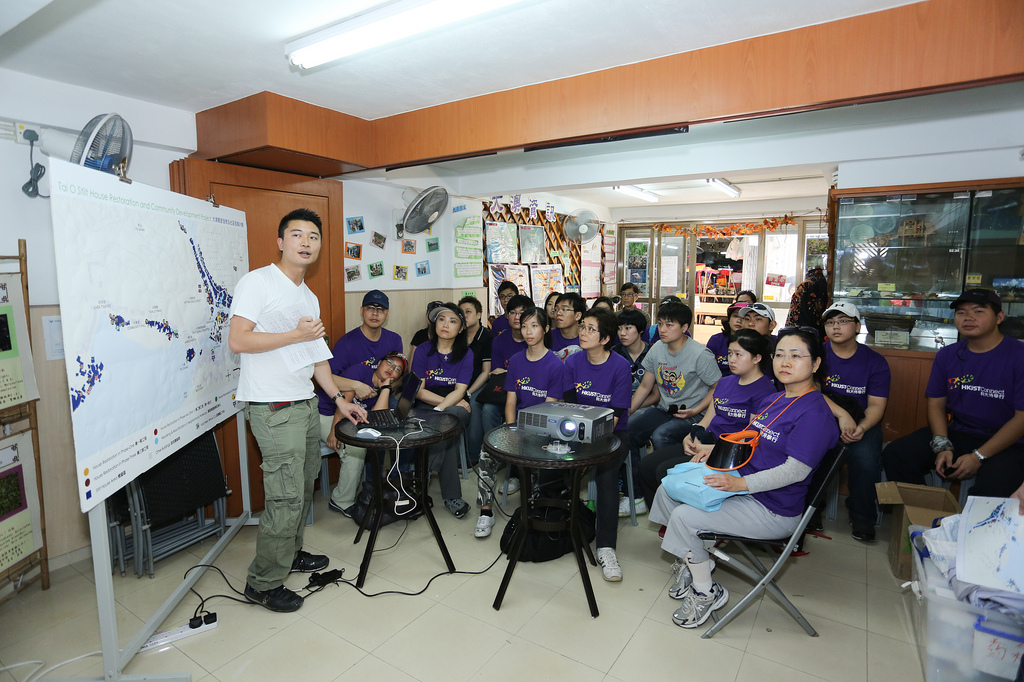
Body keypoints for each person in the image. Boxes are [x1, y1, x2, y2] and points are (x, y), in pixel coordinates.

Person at [649, 327, 839, 628]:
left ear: (815, 364)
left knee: (686, 517)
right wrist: (712, 450)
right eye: (780, 355)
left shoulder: (814, 414)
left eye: (796, 356)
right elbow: (750, 442)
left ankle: (706, 589)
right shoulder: (776, 400)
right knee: (667, 491)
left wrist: (740, 484)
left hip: (772, 507)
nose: (785, 362)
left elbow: (795, 471)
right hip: (744, 486)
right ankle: (695, 559)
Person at [228, 208, 366, 613]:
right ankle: (264, 583)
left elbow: (316, 355)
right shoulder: (258, 282)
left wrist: (340, 400)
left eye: (313, 237)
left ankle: (291, 554)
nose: (306, 242)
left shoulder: (308, 295)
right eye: (297, 234)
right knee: (285, 498)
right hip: (272, 406)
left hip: (304, 403)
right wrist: (295, 333)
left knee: (303, 488)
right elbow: (238, 340)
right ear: (280, 241)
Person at [883, 289, 1024, 499]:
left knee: (993, 486)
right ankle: (924, 519)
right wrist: (942, 445)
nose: (968, 318)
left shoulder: (1018, 356)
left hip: (1008, 441)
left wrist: (979, 456)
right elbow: (936, 404)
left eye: (978, 311)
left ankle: (975, 530)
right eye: (961, 312)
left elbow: (1021, 419)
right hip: (960, 432)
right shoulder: (948, 355)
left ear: (999, 317)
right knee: (897, 455)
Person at [639, 329, 776, 509]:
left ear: (757, 358)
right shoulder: (726, 382)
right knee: (646, 466)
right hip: (706, 443)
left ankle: (681, 520)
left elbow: (750, 439)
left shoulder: (765, 391)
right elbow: (707, 420)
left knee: (663, 471)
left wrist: (712, 449)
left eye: (738, 354)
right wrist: (690, 435)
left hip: (729, 455)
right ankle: (668, 518)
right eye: (729, 353)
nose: (731, 360)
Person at [474, 307, 565, 538]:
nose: (528, 331)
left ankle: (533, 510)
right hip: (518, 425)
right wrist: (511, 429)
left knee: (535, 458)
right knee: (486, 454)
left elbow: (549, 409)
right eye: (524, 326)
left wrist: (526, 434)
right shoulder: (516, 360)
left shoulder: (555, 365)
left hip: (542, 429)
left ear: (545, 329)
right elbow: (510, 402)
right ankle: (486, 512)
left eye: (534, 326)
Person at [562, 308, 633, 581]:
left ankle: (606, 547)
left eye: (591, 329)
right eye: (583, 327)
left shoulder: (619, 366)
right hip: (577, 431)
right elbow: (569, 406)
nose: (583, 332)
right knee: (552, 460)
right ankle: (562, 525)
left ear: (605, 338)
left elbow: (616, 416)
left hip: (612, 434)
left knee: (605, 474)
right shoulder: (573, 363)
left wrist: (590, 444)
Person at [319, 289, 403, 517]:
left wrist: (384, 387)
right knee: (356, 447)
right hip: (332, 408)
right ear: (361, 311)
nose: (375, 314)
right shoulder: (347, 343)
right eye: (370, 308)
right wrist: (355, 385)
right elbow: (327, 378)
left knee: (393, 423)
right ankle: (344, 500)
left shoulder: (394, 340)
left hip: (366, 408)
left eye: (381, 310)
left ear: (387, 314)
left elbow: (395, 376)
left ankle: (382, 485)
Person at [628, 303, 720, 504]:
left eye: (669, 325)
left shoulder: (700, 354)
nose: (662, 329)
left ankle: (669, 494)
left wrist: (696, 409)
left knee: (662, 434)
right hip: (665, 409)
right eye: (660, 324)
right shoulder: (657, 349)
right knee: (629, 429)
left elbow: (718, 388)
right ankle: (636, 494)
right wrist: (627, 412)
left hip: (695, 414)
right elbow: (645, 386)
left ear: (685, 327)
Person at [819, 301, 891, 542]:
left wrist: (860, 427)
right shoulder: (816, 354)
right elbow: (809, 392)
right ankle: (810, 508)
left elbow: (877, 405)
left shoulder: (875, 361)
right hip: (822, 419)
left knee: (866, 458)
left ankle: (862, 516)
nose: (835, 327)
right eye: (830, 322)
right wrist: (841, 415)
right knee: (811, 449)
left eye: (842, 321)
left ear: (858, 326)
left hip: (862, 422)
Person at [411, 303, 474, 518]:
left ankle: (423, 473)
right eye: (441, 319)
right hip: (431, 406)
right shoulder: (422, 350)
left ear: (461, 328)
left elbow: (460, 391)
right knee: (448, 429)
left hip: (457, 408)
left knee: (452, 418)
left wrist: (444, 407)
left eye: (452, 321)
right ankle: (452, 497)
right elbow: (418, 391)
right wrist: (442, 406)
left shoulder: (466, 354)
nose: (445, 324)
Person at [613, 307, 653, 516]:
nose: (622, 333)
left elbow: (655, 394)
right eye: (619, 328)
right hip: (620, 405)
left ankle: (636, 495)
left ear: (640, 330)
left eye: (628, 328)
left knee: (629, 429)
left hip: (647, 406)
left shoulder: (652, 352)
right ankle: (616, 487)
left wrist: (629, 409)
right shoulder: (615, 351)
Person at [459, 296, 493, 465]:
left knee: (472, 404)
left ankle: (472, 456)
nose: (464, 316)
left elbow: (486, 373)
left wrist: (467, 392)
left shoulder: (487, 337)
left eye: (468, 312)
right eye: (461, 312)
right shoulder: (458, 335)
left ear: (479, 314)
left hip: (479, 384)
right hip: (459, 383)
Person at [706, 302, 749, 376]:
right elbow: (707, 368)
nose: (739, 320)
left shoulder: (752, 342)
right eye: (735, 316)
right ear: (729, 319)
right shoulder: (716, 340)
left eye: (744, 318)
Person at [786, 266, 829, 337]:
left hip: (802, 328)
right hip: (818, 326)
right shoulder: (823, 282)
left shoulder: (806, 284)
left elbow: (795, 310)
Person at [551, 292, 586, 359]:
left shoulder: (587, 338)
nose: (558, 313)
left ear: (578, 316)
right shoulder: (548, 337)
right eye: (556, 309)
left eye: (564, 309)